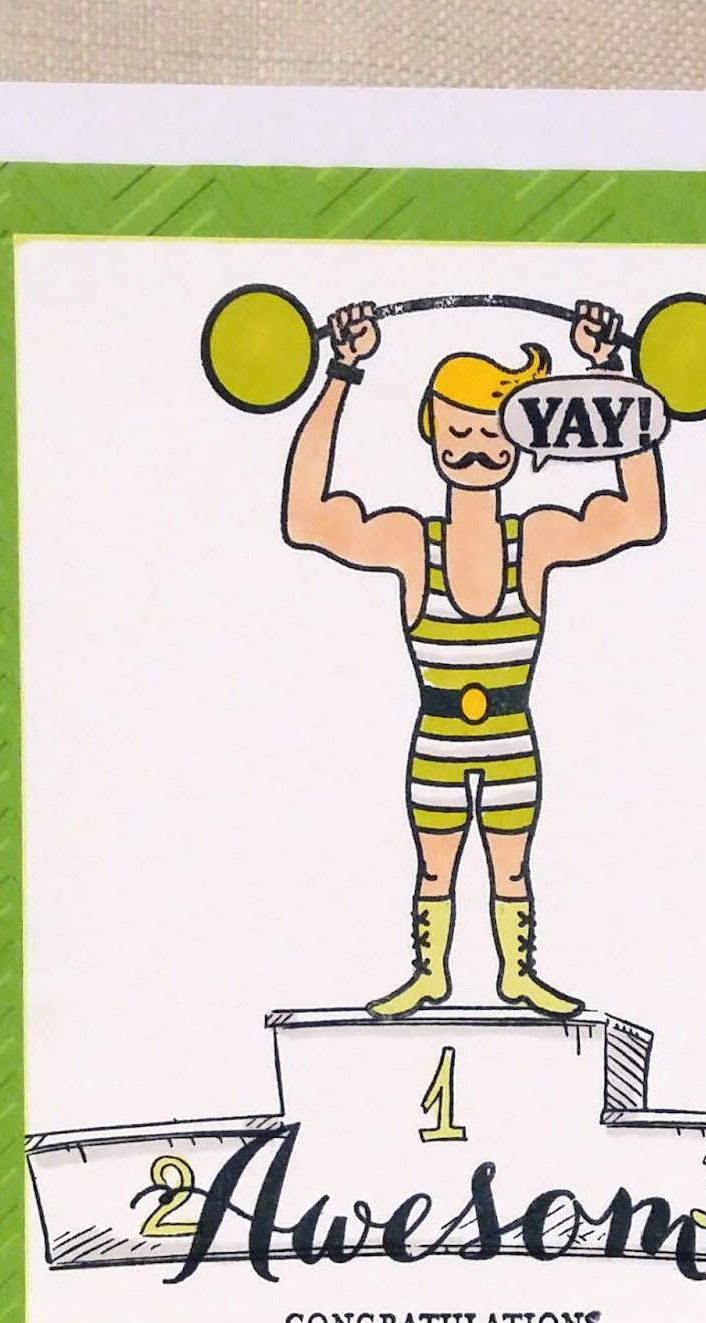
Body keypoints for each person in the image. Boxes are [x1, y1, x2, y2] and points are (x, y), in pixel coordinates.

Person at [281, 299, 666, 1018]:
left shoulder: (537, 540)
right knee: (435, 869)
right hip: (437, 744)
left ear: (520, 441)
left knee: (511, 869)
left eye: (492, 432)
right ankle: (430, 973)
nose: (476, 448)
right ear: (432, 432)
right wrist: (341, 373)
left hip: (512, 743)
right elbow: (306, 518)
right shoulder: (409, 542)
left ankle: (517, 973)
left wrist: (608, 371)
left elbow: (640, 517)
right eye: (459, 431)